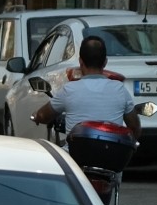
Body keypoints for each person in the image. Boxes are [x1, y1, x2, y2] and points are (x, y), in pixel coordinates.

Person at [32, 33, 135, 164]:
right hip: (111, 161)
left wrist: (36, 116)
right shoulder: (120, 89)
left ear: (80, 62)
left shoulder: (69, 90)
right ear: (105, 62)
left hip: (76, 160)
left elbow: (43, 115)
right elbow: (134, 126)